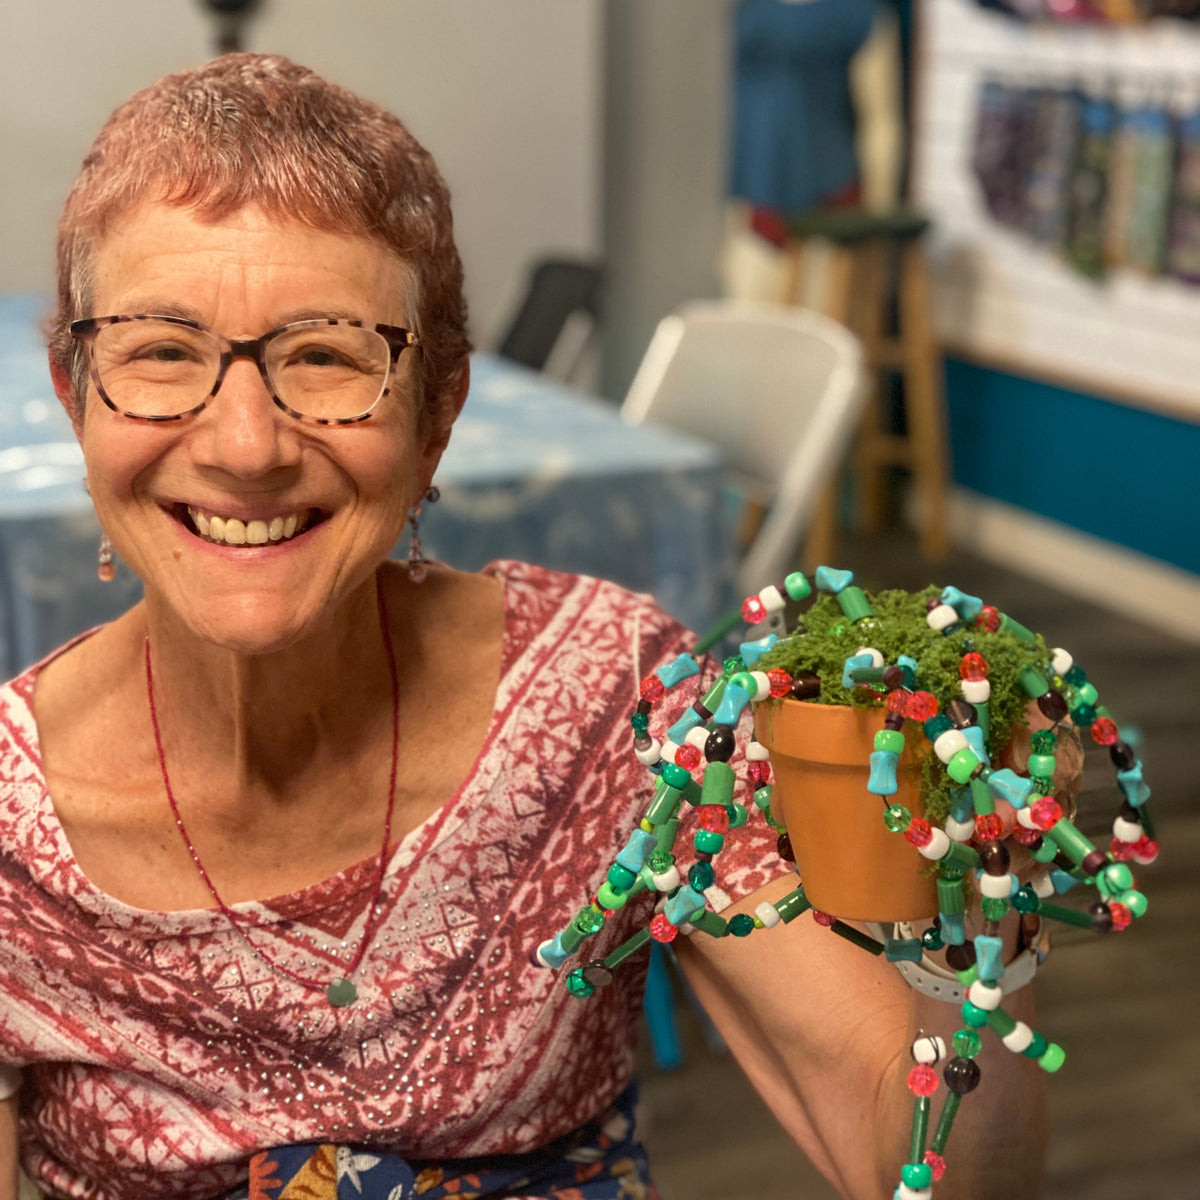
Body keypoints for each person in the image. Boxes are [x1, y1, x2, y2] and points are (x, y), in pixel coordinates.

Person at [0, 54, 1047, 1200]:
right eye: (161, 353)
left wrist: (976, 887)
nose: (246, 444)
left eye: (328, 356)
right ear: (75, 391)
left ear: (436, 413)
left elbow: (929, 1167)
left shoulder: (610, 698)